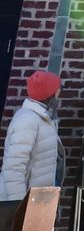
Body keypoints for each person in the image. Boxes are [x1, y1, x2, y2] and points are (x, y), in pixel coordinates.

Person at [1, 71, 61, 202]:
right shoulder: (28, 120)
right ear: (49, 93)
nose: (59, 92)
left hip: (36, 202)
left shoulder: (42, 118)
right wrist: (19, 206)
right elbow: (14, 168)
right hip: (23, 203)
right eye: (57, 88)